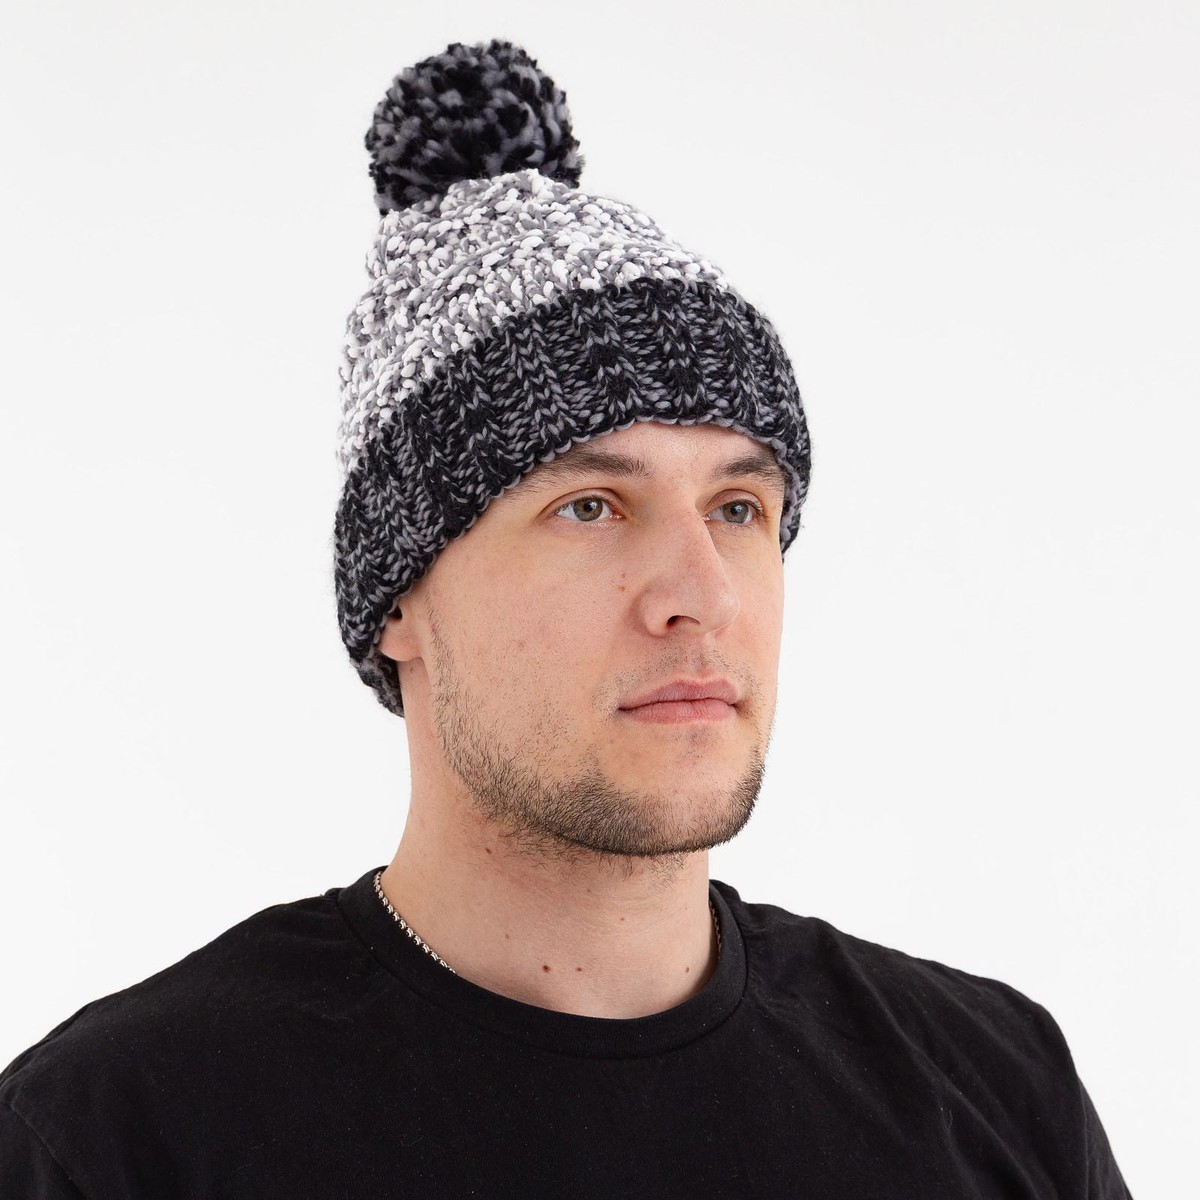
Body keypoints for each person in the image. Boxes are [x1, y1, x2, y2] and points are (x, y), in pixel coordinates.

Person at [0, 38, 1131, 1198]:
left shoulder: (998, 1090)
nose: (702, 593)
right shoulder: (117, 1138)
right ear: (399, 598)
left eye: (739, 508)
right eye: (590, 506)